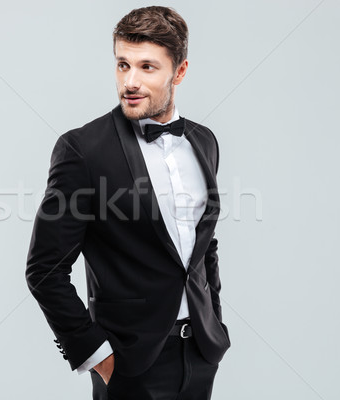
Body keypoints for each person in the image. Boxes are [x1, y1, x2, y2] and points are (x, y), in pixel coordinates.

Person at [26, 6, 230, 399]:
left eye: (147, 67)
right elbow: (44, 271)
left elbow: (204, 246)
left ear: (180, 72)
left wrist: (214, 322)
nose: (130, 82)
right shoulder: (82, 150)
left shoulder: (204, 142)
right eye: (123, 65)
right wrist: (96, 355)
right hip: (130, 364)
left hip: (202, 353)